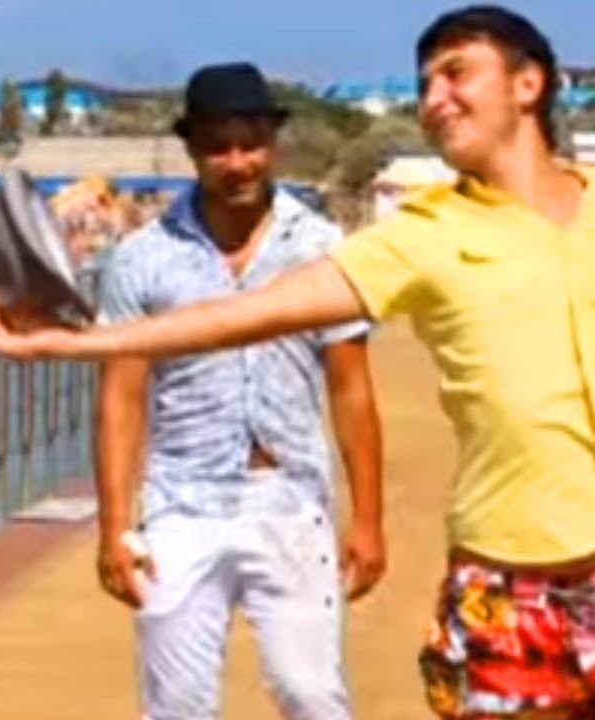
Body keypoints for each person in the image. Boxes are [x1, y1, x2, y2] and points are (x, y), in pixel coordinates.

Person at [0, 6, 595, 718]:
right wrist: (73, 343)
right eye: (424, 84)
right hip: (505, 597)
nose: (434, 98)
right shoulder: (424, 234)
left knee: (311, 691)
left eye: (456, 73)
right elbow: (248, 314)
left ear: (528, 84)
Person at [91, 63, 383, 720]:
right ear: (192, 151)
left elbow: (352, 390)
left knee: (311, 694)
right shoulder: (144, 257)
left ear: (271, 143)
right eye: (218, 147)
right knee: (177, 703)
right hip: (181, 501)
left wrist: (367, 519)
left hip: (289, 495)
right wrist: (114, 526)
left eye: (250, 144)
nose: (237, 163)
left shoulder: (320, 247)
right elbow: (121, 398)